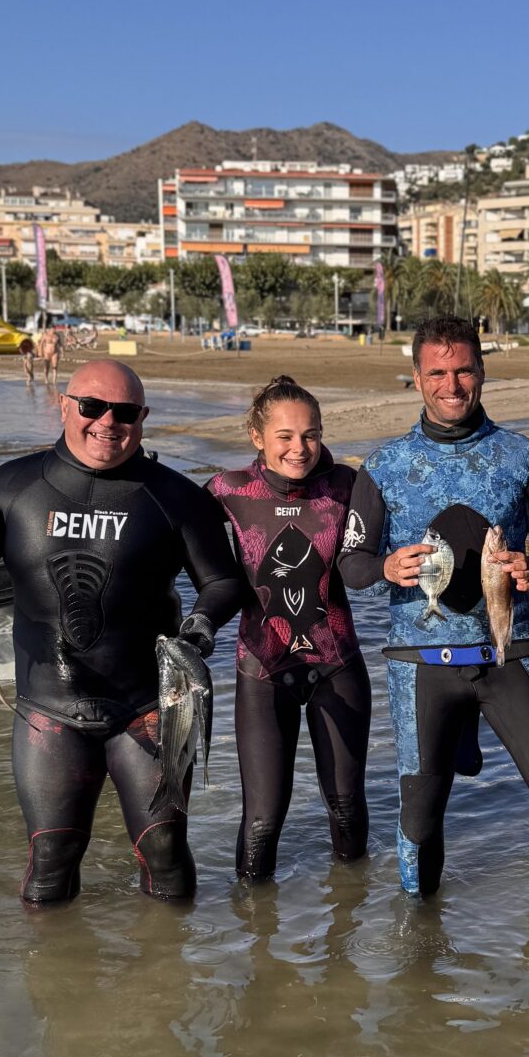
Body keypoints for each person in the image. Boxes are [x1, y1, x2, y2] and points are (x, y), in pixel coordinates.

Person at [0, 358, 244, 904]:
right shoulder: (13, 485)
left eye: (125, 412)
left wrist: (201, 626)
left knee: (165, 852)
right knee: (52, 860)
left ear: (143, 418)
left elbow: (222, 581)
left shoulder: (175, 496)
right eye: (92, 407)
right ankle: (51, 962)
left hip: (150, 706)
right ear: (64, 406)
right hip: (48, 711)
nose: (107, 422)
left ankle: (172, 959)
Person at [338, 315, 529, 897]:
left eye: (463, 371)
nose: (451, 385)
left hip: (511, 652)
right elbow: (351, 564)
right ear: (416, 377)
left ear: (481, 371)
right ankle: (418, 939)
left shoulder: (522, 456)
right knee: (420, 817)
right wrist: (385, 567)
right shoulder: (383, 466)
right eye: (437, 373)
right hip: (421, 663)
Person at [208, 375, 370, 879]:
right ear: (256, 436)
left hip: (337, 663)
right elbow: (168, 537)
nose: (299, 448)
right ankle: (255, 924)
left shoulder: (345, 486)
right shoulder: (228, 490)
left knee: (346, 807)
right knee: (261, 824)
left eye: (310, 435)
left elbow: (385, 543)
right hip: (263, 669)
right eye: (285, 436)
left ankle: (351, 912)